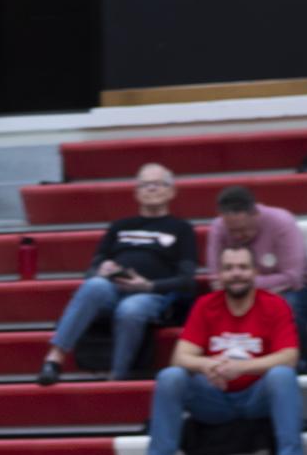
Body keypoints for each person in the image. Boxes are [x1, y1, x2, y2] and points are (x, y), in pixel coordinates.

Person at [139, 245, 305, 455]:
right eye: (229, 268)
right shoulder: (205, 305)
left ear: (255, 272)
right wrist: (208, 364)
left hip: (255, 397)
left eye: (242, 267)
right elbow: (180, 357)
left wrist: (242, 368)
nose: (236, 273)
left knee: (282, 375)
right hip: (213, 396)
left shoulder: (275, 305)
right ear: (219, 274)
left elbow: (290, 357)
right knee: (170, 376)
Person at [35, 164, 197, 385]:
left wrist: (148, 286)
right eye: (144, 185)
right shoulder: (119, 226)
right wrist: (102, 270)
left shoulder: (181, 229)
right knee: (93, 286)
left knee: (130, 309)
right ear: (136, 193)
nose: (150, 189)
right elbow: (91, 270)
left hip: (151, 294)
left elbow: (187, 280)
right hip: (112, 288)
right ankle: (54, 359)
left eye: (157, 184)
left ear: (171, 191)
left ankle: (118, 375)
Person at [206, 187, 307, 371]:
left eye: (243, 229)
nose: (237, 236)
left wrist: (245, 281)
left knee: (289, 308)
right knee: (209, 307)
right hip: (241, 291)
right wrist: (242, 283)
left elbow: (293, 278)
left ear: (256, 215)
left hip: (297, 290)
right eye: (232, 231)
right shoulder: (218, 227)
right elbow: (215, 277)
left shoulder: (282, 222)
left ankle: (299, 365)